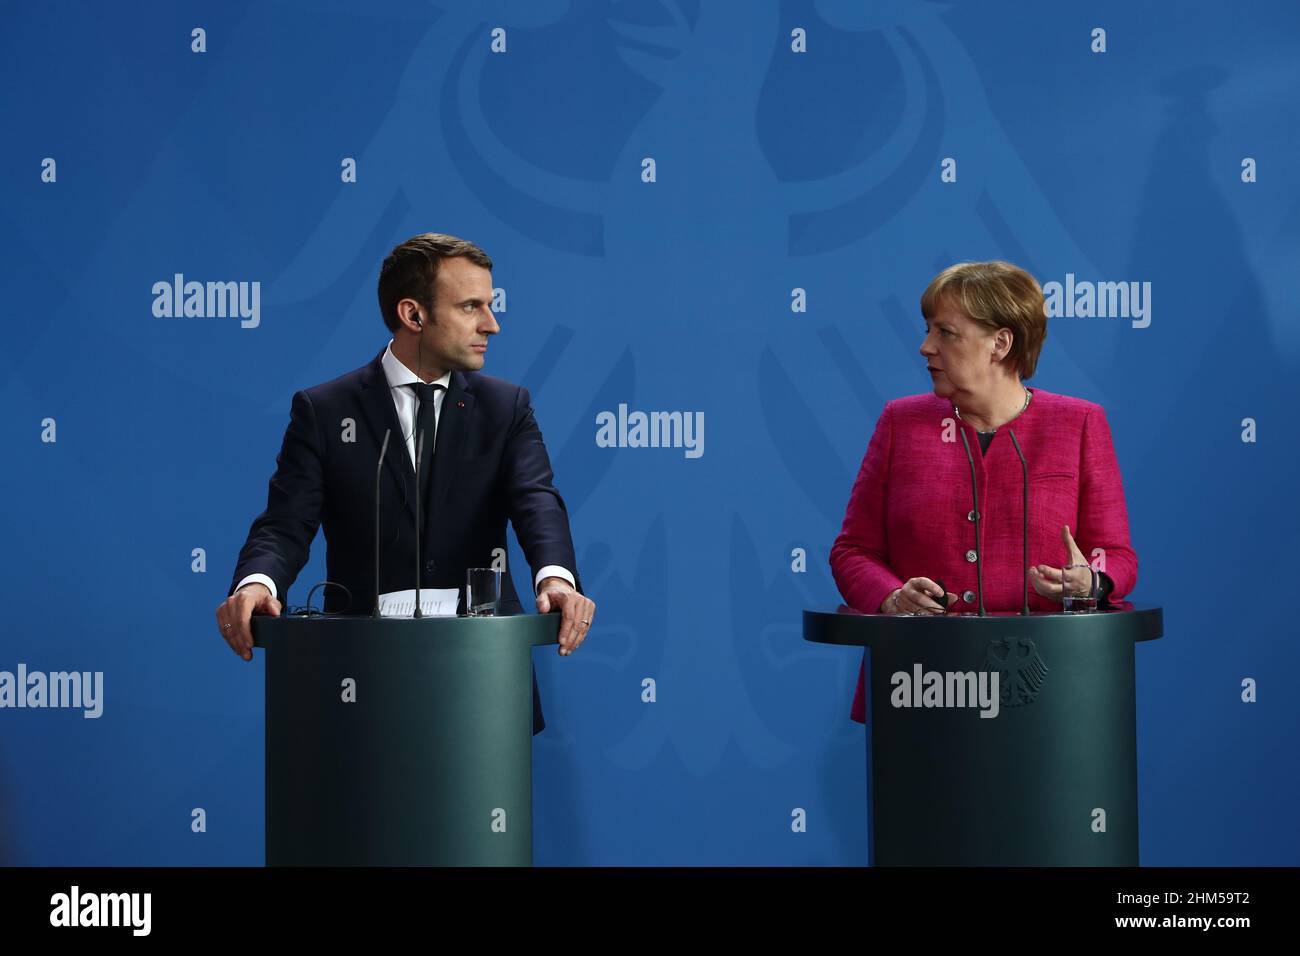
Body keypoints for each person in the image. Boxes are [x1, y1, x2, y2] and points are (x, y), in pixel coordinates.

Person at [214, 233, 596, 733]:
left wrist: (555, 578)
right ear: (413, 315)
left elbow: (536, 501)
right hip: (360, 679)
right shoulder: (326, 411)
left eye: (490, 306)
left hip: (482, 674)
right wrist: (257, 582)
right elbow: (286, 524)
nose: (492, 324)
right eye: (471, 307)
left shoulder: (507, 409)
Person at [829, 260, 1137, 723]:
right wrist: (892, 597)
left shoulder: (1078, 424)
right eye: (928, 330)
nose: (925, 346)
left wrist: (1092, 581)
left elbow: (1117, 556)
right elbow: (852, 551)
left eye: (945, 333)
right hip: (920, 685)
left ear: (1001, 343)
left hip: (1049, 689)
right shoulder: (900, 422)